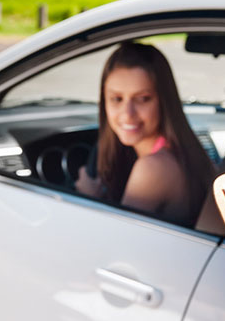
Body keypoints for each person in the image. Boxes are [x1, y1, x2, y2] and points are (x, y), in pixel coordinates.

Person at [75, 41, 215, 227]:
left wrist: (88, 199)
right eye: (116, 99)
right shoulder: (181, 151)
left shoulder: (152, 168)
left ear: (163, 101)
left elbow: (116, 242)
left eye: (142, 99)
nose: (127, 114)